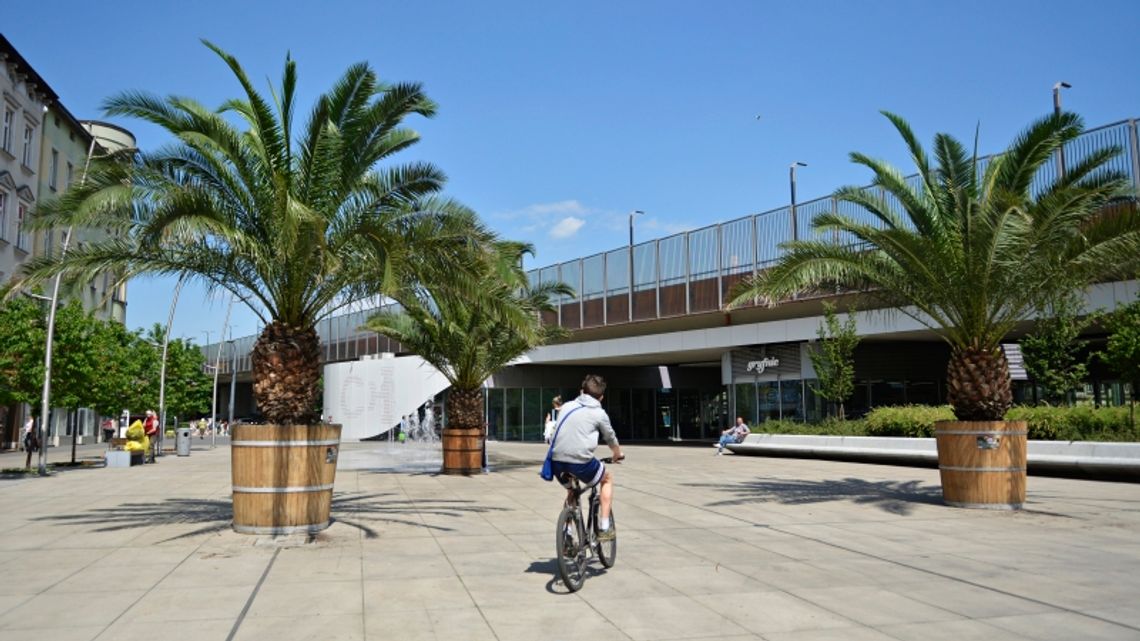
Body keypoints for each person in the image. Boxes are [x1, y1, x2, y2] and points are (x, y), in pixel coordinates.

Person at [550, 375, 623, 541]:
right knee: (607, 479)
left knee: (572, 492)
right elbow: (610, 437)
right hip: (580, 462)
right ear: (601, 397)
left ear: (581, 391)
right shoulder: (599, 413)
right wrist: (617, 454)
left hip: (557, 462)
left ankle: (567, 532)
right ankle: (604, 527)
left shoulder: (567, 406)